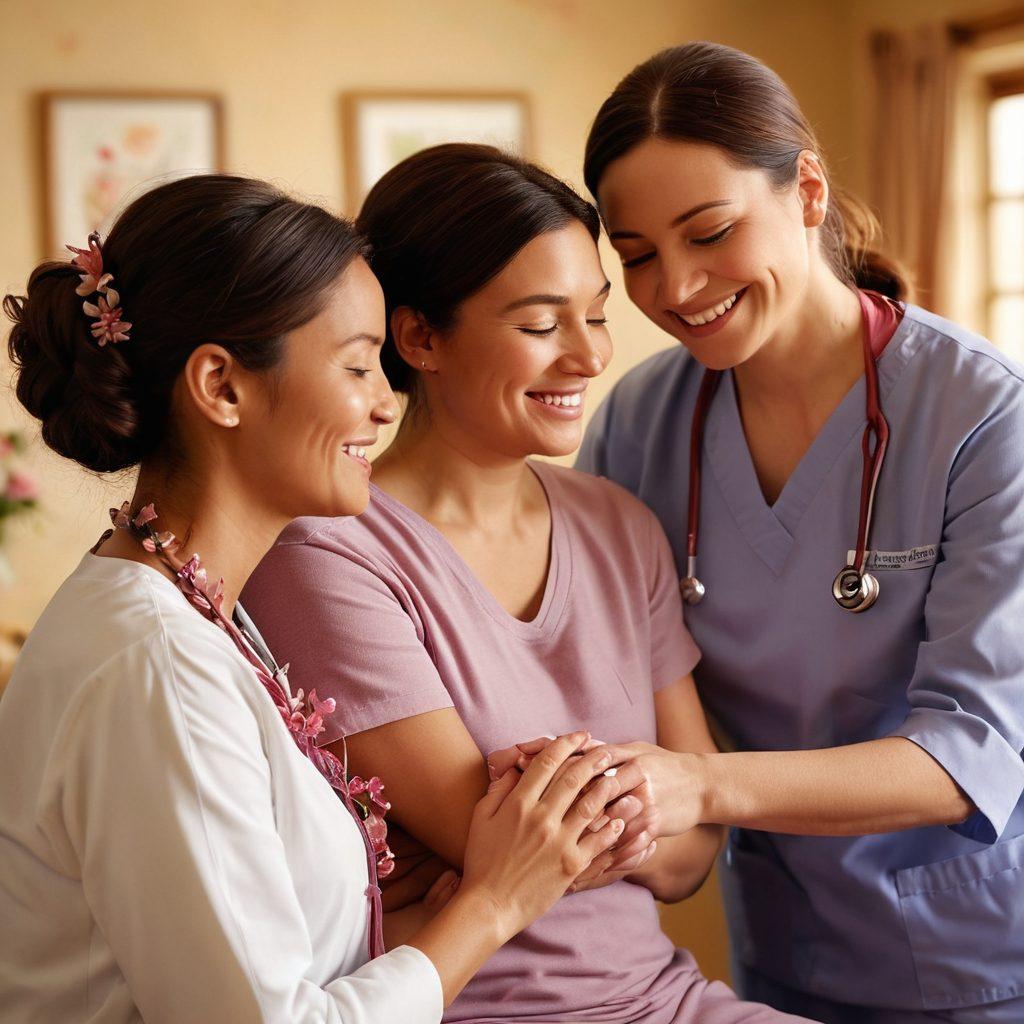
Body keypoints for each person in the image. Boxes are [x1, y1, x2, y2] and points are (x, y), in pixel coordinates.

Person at [0, 173, 632, 1023]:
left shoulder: (195, 611)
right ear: (222, 387)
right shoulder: (156, 668)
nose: (384, 402)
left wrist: (407, 906)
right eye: (359, 365)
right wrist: (496, 899)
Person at [242, 144, 815, 1024]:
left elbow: (695, 845)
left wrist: (571, 807)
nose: (589, 358)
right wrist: (638, 796)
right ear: (420, 337)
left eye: (597, 314)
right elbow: (498, 837)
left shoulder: (620, 526)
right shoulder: (327, 552)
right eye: (543, 326)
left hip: (667, 999)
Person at [573, 41, 1024, 1023]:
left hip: (976, 958)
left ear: (807, 190)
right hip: (779, 949)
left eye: (710, 232)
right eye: (638, 254)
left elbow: (968, 751)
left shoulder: (982, 415)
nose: (677, 288)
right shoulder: (636, 424)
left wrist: (697, 785)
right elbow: (598, 668)